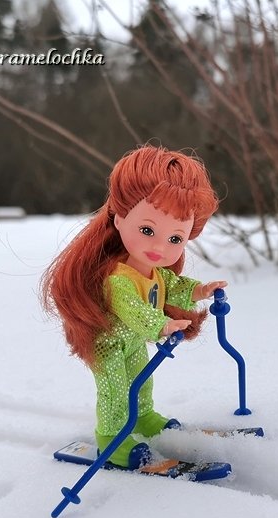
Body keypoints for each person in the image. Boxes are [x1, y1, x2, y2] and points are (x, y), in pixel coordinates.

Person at [42, 145, 227, 469]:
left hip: (132, 342)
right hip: (108, 345)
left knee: (142, 380)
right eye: (147, 230)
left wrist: (200, 290)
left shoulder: (154, 272)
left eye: (175, 239)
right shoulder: (119, 278)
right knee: (115, 391)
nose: (159, 247)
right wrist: (161, 326)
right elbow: (131, 308)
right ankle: (112, 441)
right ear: (119, 218)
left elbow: (172, 286)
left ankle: (143, 418)